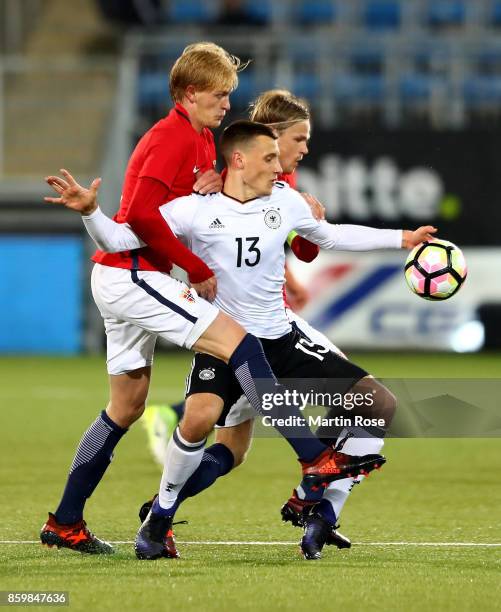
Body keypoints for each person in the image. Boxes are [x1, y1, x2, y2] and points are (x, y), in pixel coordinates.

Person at [57, 120, 436, 560]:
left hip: (280, 338)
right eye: (270, 158)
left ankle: (320, 508)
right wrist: (90, 211)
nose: (280, 167)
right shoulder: (193, 209)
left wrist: (403, 239)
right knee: (201, 427)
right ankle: (159, 516)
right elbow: (120, 238)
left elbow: (332, 236)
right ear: (239, 160)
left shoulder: (287, 202)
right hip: (225, 346)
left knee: (377, 402)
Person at [40, 47, 363, 556]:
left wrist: (204, 188)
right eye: (219, 95)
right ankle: (311, 456)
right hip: (134, 273)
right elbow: (142, 220)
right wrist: (193, 268)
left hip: (128, 273)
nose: (227, 103)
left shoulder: (203, 139)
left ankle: (65, 521)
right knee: (239, 341)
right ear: (189, 95)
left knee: (125, 407)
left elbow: (188, 210)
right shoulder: (169, 137)